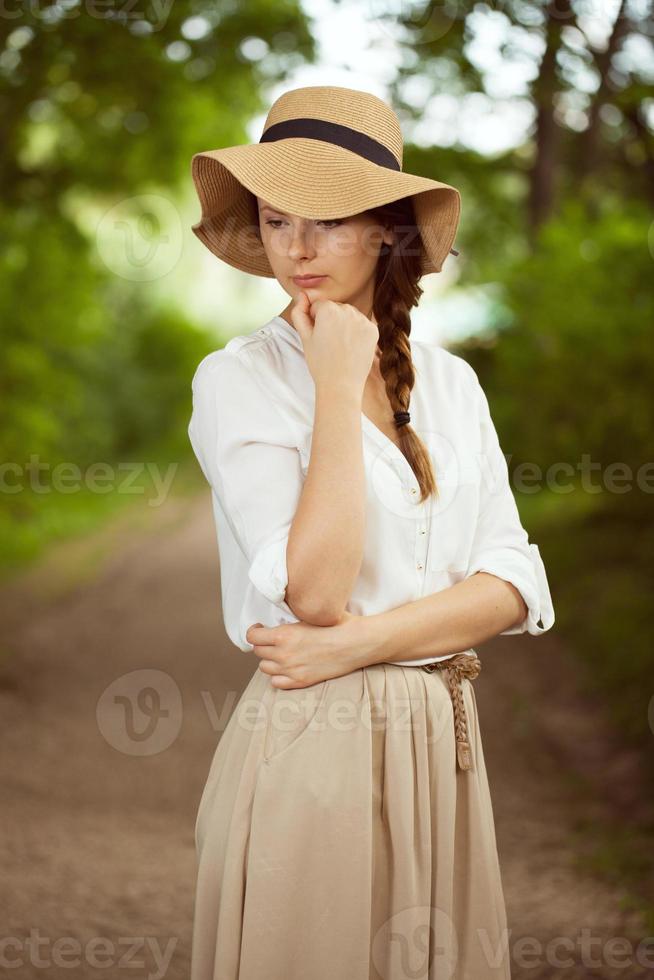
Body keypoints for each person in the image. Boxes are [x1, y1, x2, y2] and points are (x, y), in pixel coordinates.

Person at [186, 84, 555, 980]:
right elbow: (312, 590)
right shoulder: (238, 381)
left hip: (443, 742)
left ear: (386, 229)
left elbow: (514, 584)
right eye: (276, 222)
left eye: (327, 220)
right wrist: (331, 385)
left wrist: (359, 645)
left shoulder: (452, 384)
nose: (298, 248)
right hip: (314, 742)